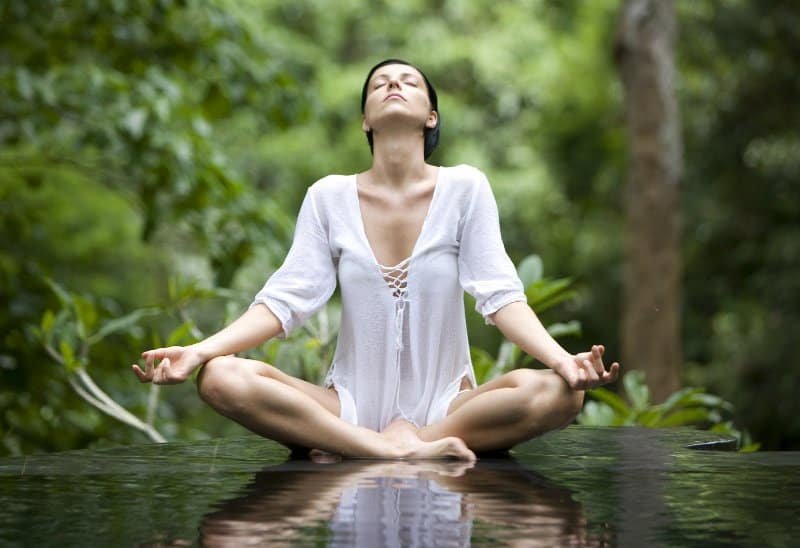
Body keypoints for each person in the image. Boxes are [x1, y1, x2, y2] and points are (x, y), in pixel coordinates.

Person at [132, 59, 619, 461]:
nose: (393, 84)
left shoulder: (465, 189)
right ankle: (384, 449)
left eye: (409, 81)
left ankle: (407, 443)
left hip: (450, 409)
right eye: (379, 83)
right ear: (365, 119)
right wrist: (199, 351)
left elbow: (501, 296)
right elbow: (284, 302)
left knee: (561, 393)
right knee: (219, 377)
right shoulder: (328, 197)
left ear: (431, 116)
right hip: (346, 408)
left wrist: (563, 361)